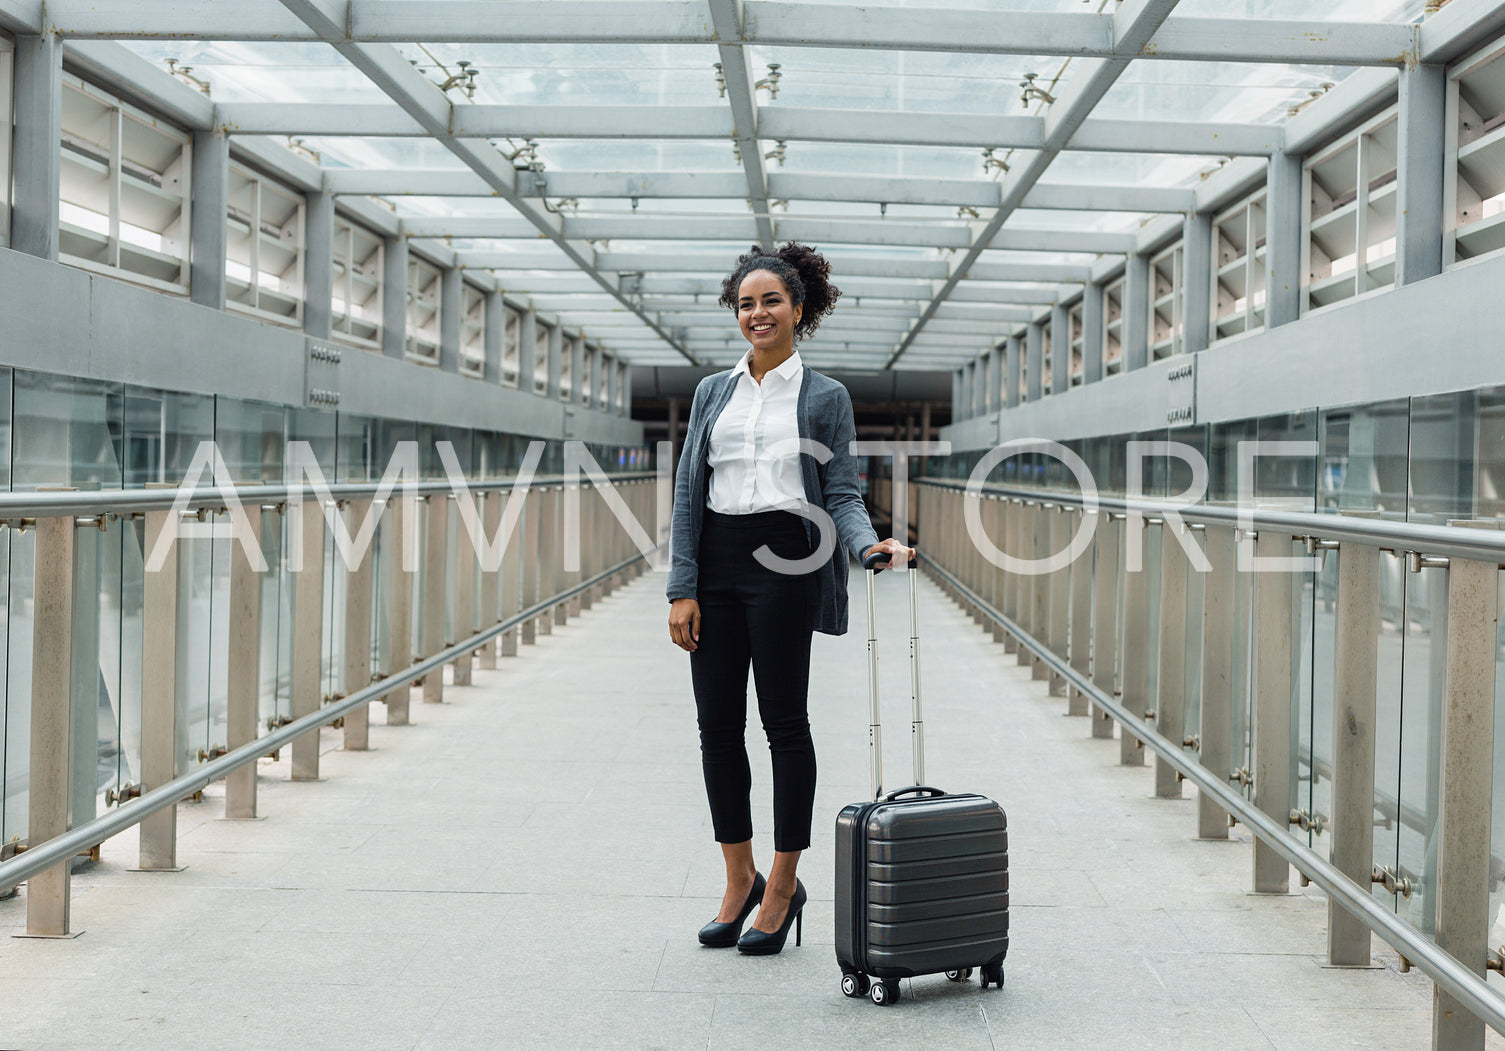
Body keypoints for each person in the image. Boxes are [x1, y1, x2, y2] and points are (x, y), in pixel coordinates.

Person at [666, 242, 915, 955]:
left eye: (770, 300)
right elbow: (688, 492)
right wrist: (682, 586)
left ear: (799, 309)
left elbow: (839, 488)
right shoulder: (714, 391)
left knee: (783, 723)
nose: (757, 313)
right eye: (745, 302)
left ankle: (781, 884)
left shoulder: (824, 396)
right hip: (715, 559)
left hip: (787, 559)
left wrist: (867, 542)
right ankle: (737, 877)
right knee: (716, 725)